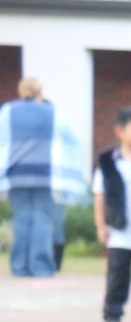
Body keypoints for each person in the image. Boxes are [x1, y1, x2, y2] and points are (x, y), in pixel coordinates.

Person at [0, 78, 88, 277]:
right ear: (40, 92)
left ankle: (19, 267)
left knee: (21, 219)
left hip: (16, 175)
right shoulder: (53, 113)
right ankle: (41, 267)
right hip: (45, 174)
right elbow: (71, 140)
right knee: (43, 220)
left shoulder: (8, 111)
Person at [91, 107, 131, 322]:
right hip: (121, 229)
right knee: (118, 274)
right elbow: (99, 196)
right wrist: (101, 225)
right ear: (120, 131)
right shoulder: (108, 162)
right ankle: (113, 313)